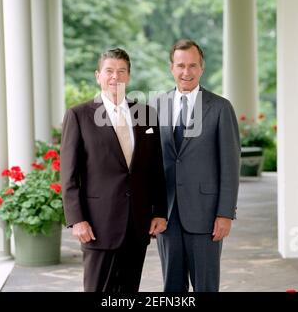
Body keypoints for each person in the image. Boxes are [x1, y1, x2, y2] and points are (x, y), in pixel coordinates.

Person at [61, 48, 167, 292]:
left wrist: (160, 212)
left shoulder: (146, 114)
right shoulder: (79, 115)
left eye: (121, 71)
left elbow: (156, 168)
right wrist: (77, 219)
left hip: (137, 223)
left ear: (128, 76)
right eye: (109, 71)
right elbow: (69, 174)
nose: (115, 77)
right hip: (98, 224)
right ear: (98, 75)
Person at [156, 39, 240, 292]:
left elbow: (230, 165)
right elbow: (150, 164)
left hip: (206, 215)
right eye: (180, 65)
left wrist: (225, 213)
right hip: (167, 215)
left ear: (202, 68)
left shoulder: (220, 107)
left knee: (206, 286)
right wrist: (151, 210)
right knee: (172, 288)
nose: (186, 72)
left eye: (193, 65)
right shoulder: (156, 106)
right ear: (171, 68)